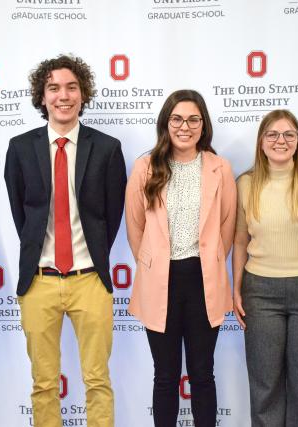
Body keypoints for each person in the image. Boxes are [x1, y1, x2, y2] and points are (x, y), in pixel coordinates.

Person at [4, 54, 126, 427]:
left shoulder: (106, 148)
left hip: (89, 280)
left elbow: (111, 214)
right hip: (39, 281)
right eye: (54, 87)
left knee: (97, 380)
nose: (63, 95)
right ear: (42, 96)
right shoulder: (21, 147)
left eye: (72, 87)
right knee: (43, 384)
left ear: (83, 93)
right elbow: (21, 212)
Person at [125, 89, 236, 427]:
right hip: (161, 280)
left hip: (204, 280)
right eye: (177, 119)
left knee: (203, 372)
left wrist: (212, 261)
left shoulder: (220, 167)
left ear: (203, 125)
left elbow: (227, 225)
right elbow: (135, 227)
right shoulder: (145, 167)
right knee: (165, 374)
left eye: (193, 119)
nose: (184, 126)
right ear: (166, 123)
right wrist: (154, 265)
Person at [232, 109, 298, 426]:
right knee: (265, 386)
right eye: (273, 135)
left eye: (288, 134)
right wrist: (236, 289)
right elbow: (240, 242)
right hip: (260, 293)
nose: (281, 141)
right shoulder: (245, 184)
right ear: (261, 142)